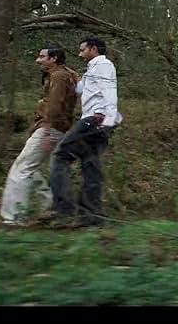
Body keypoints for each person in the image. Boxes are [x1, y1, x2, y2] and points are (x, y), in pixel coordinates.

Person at [48, 36, 122, 227]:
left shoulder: (104, 65)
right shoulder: (92, 69)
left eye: (83, 49)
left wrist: (108, 121)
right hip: (95, 119)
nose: (80, 54)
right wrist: (71, 74)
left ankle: (64, 210)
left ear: (94, 49)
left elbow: (109, 92)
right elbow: (81, 90)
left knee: (61, 156)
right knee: (91, 164)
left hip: (96, 119)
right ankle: (91, 215)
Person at [0, 45, 78, 226]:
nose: (38, 60)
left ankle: (14, 217)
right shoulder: (68, 74)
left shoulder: (59, 76)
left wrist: (47, 132)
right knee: (32, 169)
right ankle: (47, 205)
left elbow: (55, 106)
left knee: (22, 169)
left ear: (54, 59)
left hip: (49, 128)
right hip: (57, 128)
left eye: (42, 56)